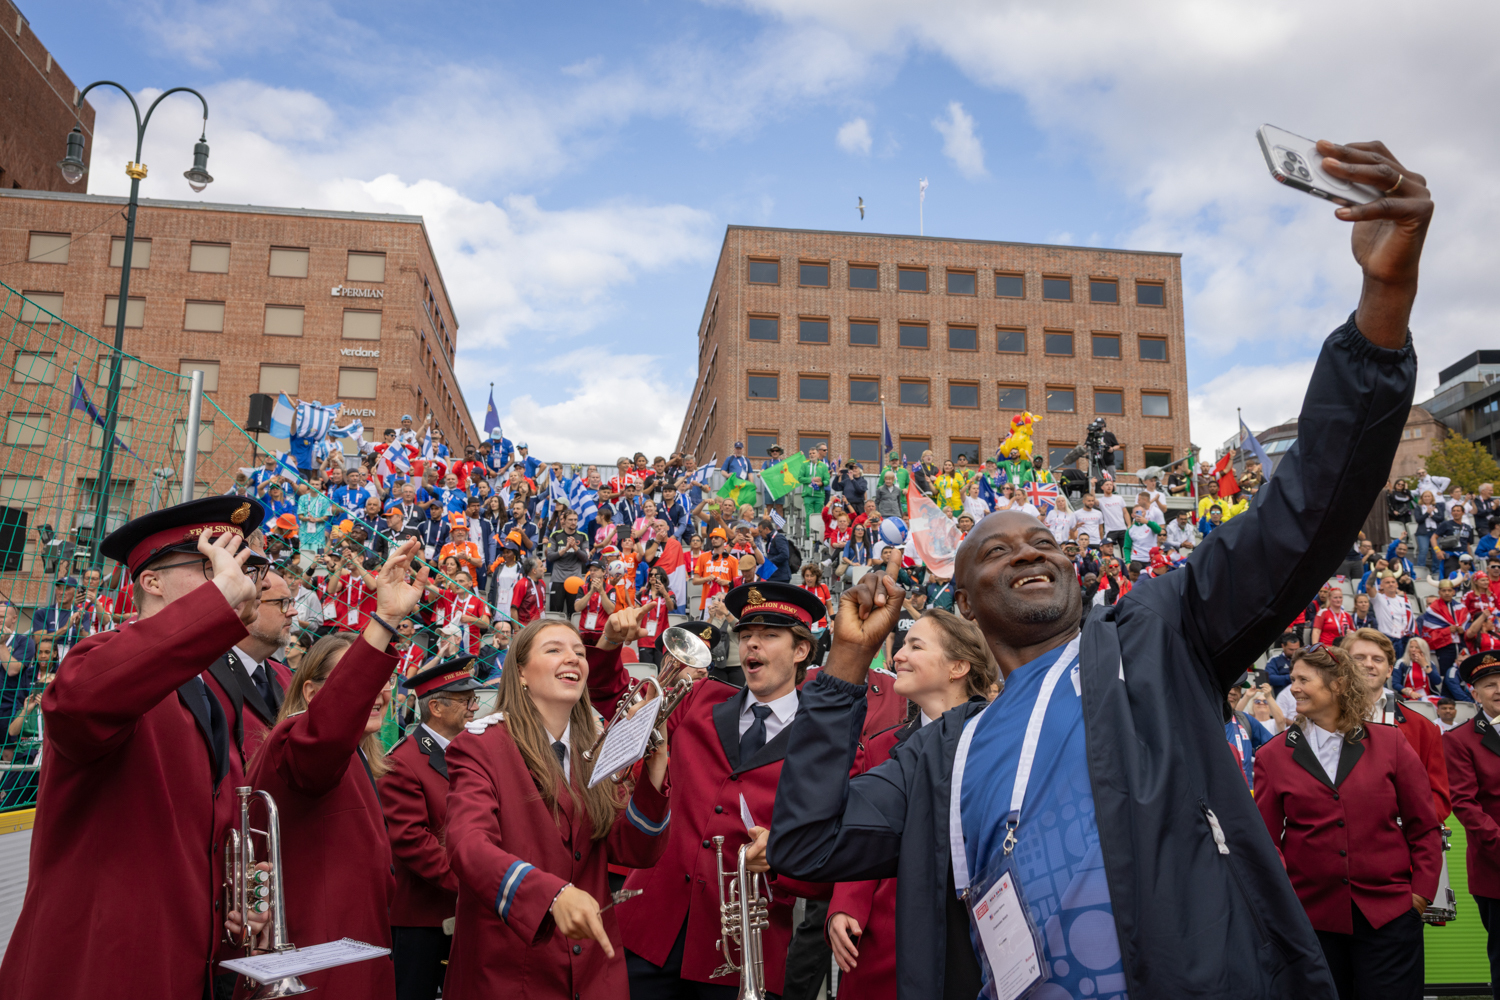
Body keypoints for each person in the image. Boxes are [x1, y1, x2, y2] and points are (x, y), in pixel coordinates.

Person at [767, 139, 1432, 999]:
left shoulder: (1156, 642)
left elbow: (1305, 509)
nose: (1033, 551)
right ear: (965, 598)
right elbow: (808, 848)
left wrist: (1382, 307)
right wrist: (844, 668)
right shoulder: (940, 757)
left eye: (1045, 542)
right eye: (999, 550)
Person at [0, 497, 271, 1000]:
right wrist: (217, 602)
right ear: (151, 582)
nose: (239, 576)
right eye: (214, 559)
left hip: (187, 961)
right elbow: (76, 702)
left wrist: (241, 888)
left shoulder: (211, 691)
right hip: (100, 967)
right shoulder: (101, 659)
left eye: (244, 563)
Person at [443, 614, 671, 999]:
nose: (574, 659)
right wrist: (550, 894)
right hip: (511, 973)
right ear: (520, 675)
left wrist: (656, 763)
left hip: (596, 974)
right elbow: (467, 845)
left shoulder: (596, 749)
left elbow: (637, 850)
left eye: (579, 653)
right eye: (554, 650)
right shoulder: (479, 746)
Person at [624, 581, 834, 998]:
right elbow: (618, 717)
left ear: (801, 651)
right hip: (647, 931)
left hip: (737, 956)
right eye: (746, 635)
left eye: (770, 636)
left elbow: (827, 868)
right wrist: (610, 646)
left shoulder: (824, 742)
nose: (752, 645)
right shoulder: (699, 696)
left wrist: (780, 859)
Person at [245, 538, 427, 999]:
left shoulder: (361, 756)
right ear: (310, 693)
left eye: (385, 680)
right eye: (359, 681)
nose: (378, 692)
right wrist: (383, 622)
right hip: (317, 967)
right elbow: (326, 736)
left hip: (358, 955)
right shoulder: (297, 742)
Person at [826, 611, 998, 1000]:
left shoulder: (998, 742)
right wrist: (844, 905)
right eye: (901, 645)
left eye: (914, 646)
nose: (897, 656)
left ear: (958, 666)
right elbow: (861, 833)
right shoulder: (882, 744)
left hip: (969, 940)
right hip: (880, 939)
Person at [1254, 644, 1441, 1000]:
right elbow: (1265, 841)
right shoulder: (1272, 756)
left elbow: (1424, 826)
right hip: (1311, 921)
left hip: (1390, 916)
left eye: (1303, 680)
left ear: (1338, 685)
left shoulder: (1391, 743)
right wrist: (1287, 904)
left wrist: (1419, 896)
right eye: (1292, 679)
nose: (1293, 687)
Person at [380, 656, 486, 1000]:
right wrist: (480, 882)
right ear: (436, 707)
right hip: (425, 920)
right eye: (465, 700)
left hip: (465, 909)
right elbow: (414, 844)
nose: (474, 707)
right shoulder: (402, 762)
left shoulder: (471, 751)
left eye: (474, 699)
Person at [1443, 650, 1500, 999]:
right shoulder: (1460, 740)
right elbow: (1465, 804)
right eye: (1490, 684)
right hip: (1495, 869)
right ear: (1474, 693)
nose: (1499, 690)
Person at [204, 570, 293, 778]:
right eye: (283, 603)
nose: (292, 612)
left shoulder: (286, 676)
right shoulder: (205, 675)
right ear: (250, 605)